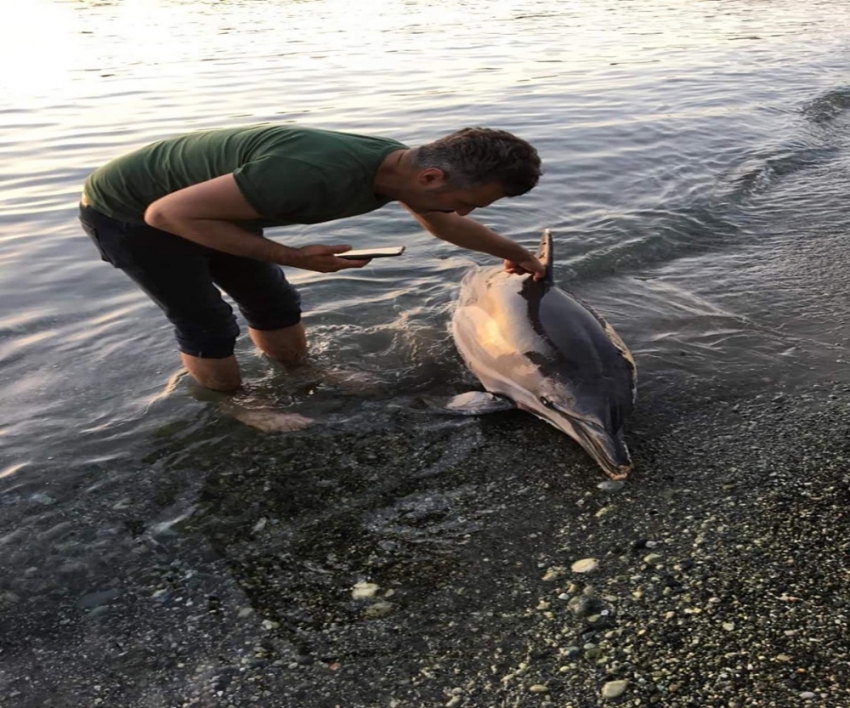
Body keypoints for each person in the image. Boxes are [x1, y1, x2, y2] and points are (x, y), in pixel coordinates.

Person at [78, 124, 545, 393]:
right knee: (206, 320)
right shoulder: (312, 173)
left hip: (202, 207)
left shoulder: (399, 172)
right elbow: (165, 214)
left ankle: (300, 372)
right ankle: (236, 404)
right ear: (431, 176)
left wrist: (516, 254)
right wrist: (292, 255)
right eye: (468, 201)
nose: (463, 212)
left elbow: (444, 221)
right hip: (131, 213)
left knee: (273, 302)